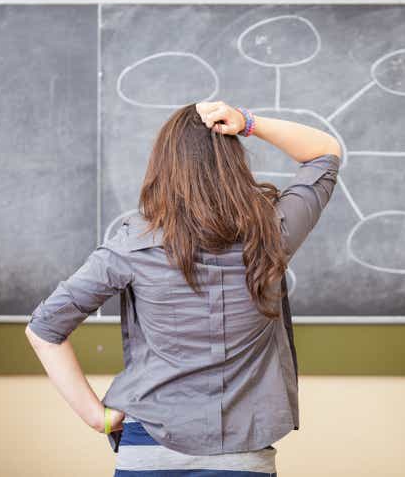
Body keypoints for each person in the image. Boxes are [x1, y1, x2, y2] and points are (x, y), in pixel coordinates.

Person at [25, 100, 342, 476]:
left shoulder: (130, 243)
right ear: (235, 163)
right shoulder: (273, 231)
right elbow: (325, 152)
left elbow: (44, 330)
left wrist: (97, 417)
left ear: (163, 165)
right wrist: (247, 122)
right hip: (243, 459)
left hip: (147, 451)